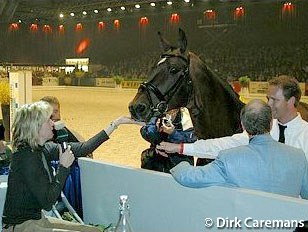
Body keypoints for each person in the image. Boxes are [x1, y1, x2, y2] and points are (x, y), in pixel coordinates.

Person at [2, 101, 137, 231]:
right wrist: (64, 167)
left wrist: (116, 123)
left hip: (37, 221)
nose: (52, 123)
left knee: (93, 230)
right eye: (48, 120)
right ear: (35, 125)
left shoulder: (43, 149)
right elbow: (48, 202)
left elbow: (85, 148)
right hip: (20, 227)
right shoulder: (26, 157)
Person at [170, 99, 308, 199]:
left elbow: (189, 177)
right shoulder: (299, 157)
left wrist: (180, 164)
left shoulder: (228, 158)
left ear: (243, 125)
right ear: (271, 123)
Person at [157, 75, 308, 161]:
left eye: (274, 99)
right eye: (267, 98)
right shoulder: (263, 129)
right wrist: (179, 147)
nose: (268, 104)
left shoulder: (305, 136)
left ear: (292, 101)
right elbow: (222, 146)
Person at [140, 107, 196, 173]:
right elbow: (145, 132)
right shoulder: (158, 114)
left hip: (179, 162)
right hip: (156, 158)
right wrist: (155, 130)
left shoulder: (188, 119)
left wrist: (173, 133)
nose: (170, 113)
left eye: (173, 111)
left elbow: (191, 143)